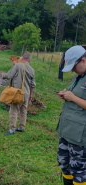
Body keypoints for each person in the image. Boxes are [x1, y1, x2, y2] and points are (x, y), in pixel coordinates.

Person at [56, 45, 86, 185]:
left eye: (74, 67)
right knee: (65, 164)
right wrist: (67, 95)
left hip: (80, 135)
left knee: (78, 170)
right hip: (67, 130)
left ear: (83, 61)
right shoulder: (78, 76)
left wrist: (73, 97)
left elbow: (77, 98)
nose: (73, 70)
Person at [3, 52, 36, 135]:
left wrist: (3, 75)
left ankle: (12, 129)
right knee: (23, 111)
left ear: (22, 58)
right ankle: (21, 127)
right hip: (27, 94)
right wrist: (30, 96)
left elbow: (9, 76)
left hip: (17, 94)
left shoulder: (17, 66)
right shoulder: (32, 70)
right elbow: (33, 85)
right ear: (29, 60)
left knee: (14, 111)